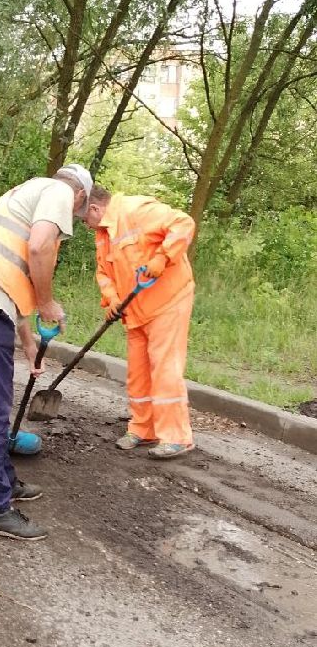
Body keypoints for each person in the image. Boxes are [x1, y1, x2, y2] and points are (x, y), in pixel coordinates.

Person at [0, 164, 93, 540]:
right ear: (80, 196)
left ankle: (3, 481)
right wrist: (47, 303)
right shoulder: (60, 193)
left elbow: (14, 275)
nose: (71, 220)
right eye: (79, 212)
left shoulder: (22, 193)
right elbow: (40, 246)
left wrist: (28, 344)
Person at [83, 184, 196, 459]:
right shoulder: (102, 234)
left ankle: (176, 436)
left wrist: (162, 256)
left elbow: (183, 223)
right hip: (135, 311)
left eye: (83, 218)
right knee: (138, 373)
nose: (85, 225)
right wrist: (110, 299)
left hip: (167, 302)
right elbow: (103, 272)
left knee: (164, 368)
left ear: (95, 208)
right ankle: (143, 429)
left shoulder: (136, 209)